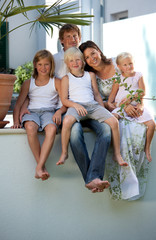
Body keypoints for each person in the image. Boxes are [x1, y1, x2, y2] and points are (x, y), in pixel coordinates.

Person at [19, 24, 112, 193]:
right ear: (61, 41)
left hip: (90, 108)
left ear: (79, 38)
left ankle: (93, 178)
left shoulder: (84, 57)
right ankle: (92, 178)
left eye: (75, 36)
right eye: (67, 36)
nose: (72, 39)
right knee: (75, 134)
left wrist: (107, 105)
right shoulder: (54, 60)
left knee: (106, 131)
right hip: (65, 109)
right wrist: (26, 107)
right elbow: (36, 87)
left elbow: (97, 88)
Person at [79, 41, 153, 200]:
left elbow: (136, 87)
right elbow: (95, 101)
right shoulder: (89, 77)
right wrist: (119, 106)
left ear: (99, 51)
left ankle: (135, 175)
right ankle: (121, 182)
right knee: (115, 127)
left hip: (130, 106)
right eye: (87, 57)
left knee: (137, 128)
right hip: (109, 110)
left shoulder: (117, 63)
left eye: (93, 53)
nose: (92, 58)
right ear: (84, 61)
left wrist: (137, 105)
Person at [56, 47, 128, 171]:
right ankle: (64, 153)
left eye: (78, 60)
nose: (75, 63)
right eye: (71, 61)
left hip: (93, 106)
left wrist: (102, 109)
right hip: (76, 106)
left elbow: (96, 94)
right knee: (67, 121)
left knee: (113, 122)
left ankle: (117, 154)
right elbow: (64, 100)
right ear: (67, 64)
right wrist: (76, 105)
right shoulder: (66, 79)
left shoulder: (90, 75)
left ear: (83, 61)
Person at [12, 50, 66, 181]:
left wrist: (59, 112)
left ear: (51, 65)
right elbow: (18, 104)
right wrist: (16, 122)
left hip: (49, 112)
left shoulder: (57, 82)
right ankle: (40, 166)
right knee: (30, 128)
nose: (43, 68)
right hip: (32, 112)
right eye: (40, 64)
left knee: (52, 129)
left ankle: (39, 167)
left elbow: (65, 103)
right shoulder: (28, 83)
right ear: (35, 65)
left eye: (46, 64)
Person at [109, 52, 156, 162]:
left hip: (137, 106)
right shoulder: (118, 79)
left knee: (152, 124)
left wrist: (133, 100)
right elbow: (111, 100)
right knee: (112, 118)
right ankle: (115, 149)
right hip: (122, 107)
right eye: (125, 65)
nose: (128, 66)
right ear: (119, 67)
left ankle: (147, 148)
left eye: (130, 63)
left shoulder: (138, 75)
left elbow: (142, 92)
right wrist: (118, 105)